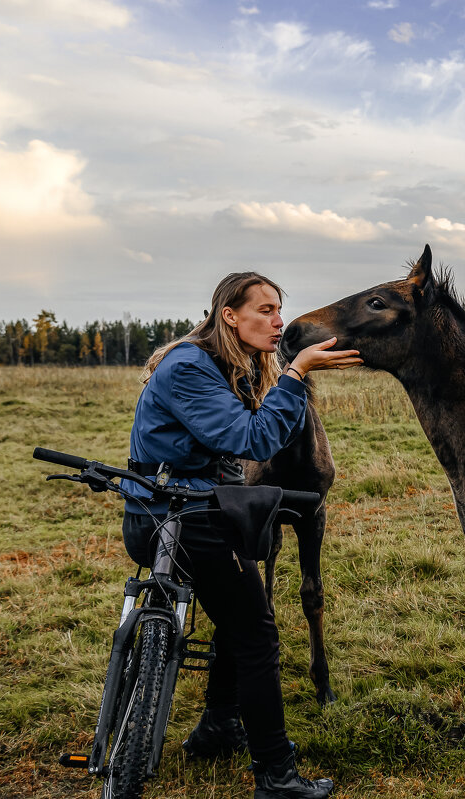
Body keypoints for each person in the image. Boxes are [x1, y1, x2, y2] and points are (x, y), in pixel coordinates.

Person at [121, 272, 360, 798]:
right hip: (179, 522)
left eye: (280, 310)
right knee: (257, 637)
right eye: (266, 310)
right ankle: (276, 775)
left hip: (188, 513)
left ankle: (219, 724)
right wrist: (296, 375)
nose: (279, 322)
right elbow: (252, 439)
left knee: (238, 605)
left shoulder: (233, 366)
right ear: (229, 315)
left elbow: (225, 457)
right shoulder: (190, 368)